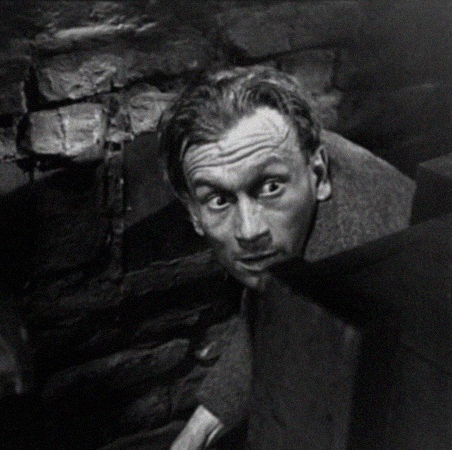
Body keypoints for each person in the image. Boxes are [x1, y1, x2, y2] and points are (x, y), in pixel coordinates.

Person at [157, 66, 415, 449]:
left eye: (270, 187)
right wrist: (192, 437)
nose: (249, 231)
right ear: (193, 214)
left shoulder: (351, 264)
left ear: (319, 175)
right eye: (219, 199)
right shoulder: (275, 148)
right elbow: (267, 316)